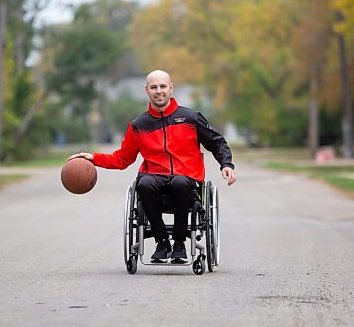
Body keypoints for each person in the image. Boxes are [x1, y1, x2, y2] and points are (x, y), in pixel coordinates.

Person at [68, 69, 236, 263]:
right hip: (154, 179)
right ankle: (162, 242)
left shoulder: (191, 118)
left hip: (187, 180)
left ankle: (180, 243)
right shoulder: (139, 125)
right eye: (154, 87)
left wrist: (226, 164)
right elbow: (123, 158)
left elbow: (217, 142)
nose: (159, 91)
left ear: (171, 88)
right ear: (146, 90)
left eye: (163, 86)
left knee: (179, 182)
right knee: (144, 184)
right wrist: (93, 158)